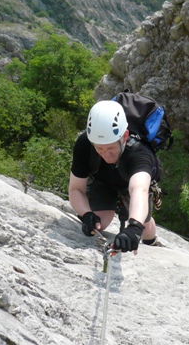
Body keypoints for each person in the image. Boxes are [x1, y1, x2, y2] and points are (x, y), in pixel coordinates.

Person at [69, 100, 161, 254]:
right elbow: (76, 188)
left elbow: (139, 189)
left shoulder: (139, 153)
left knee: (145, 226)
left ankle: (151, 241)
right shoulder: (85, 144)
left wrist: (134, 227)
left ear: (124, 136)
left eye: (111, 147)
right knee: (99, 224)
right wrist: (86, 214)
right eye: (99, 148)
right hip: (103, 180)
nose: (106, 154)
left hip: (130, 183)